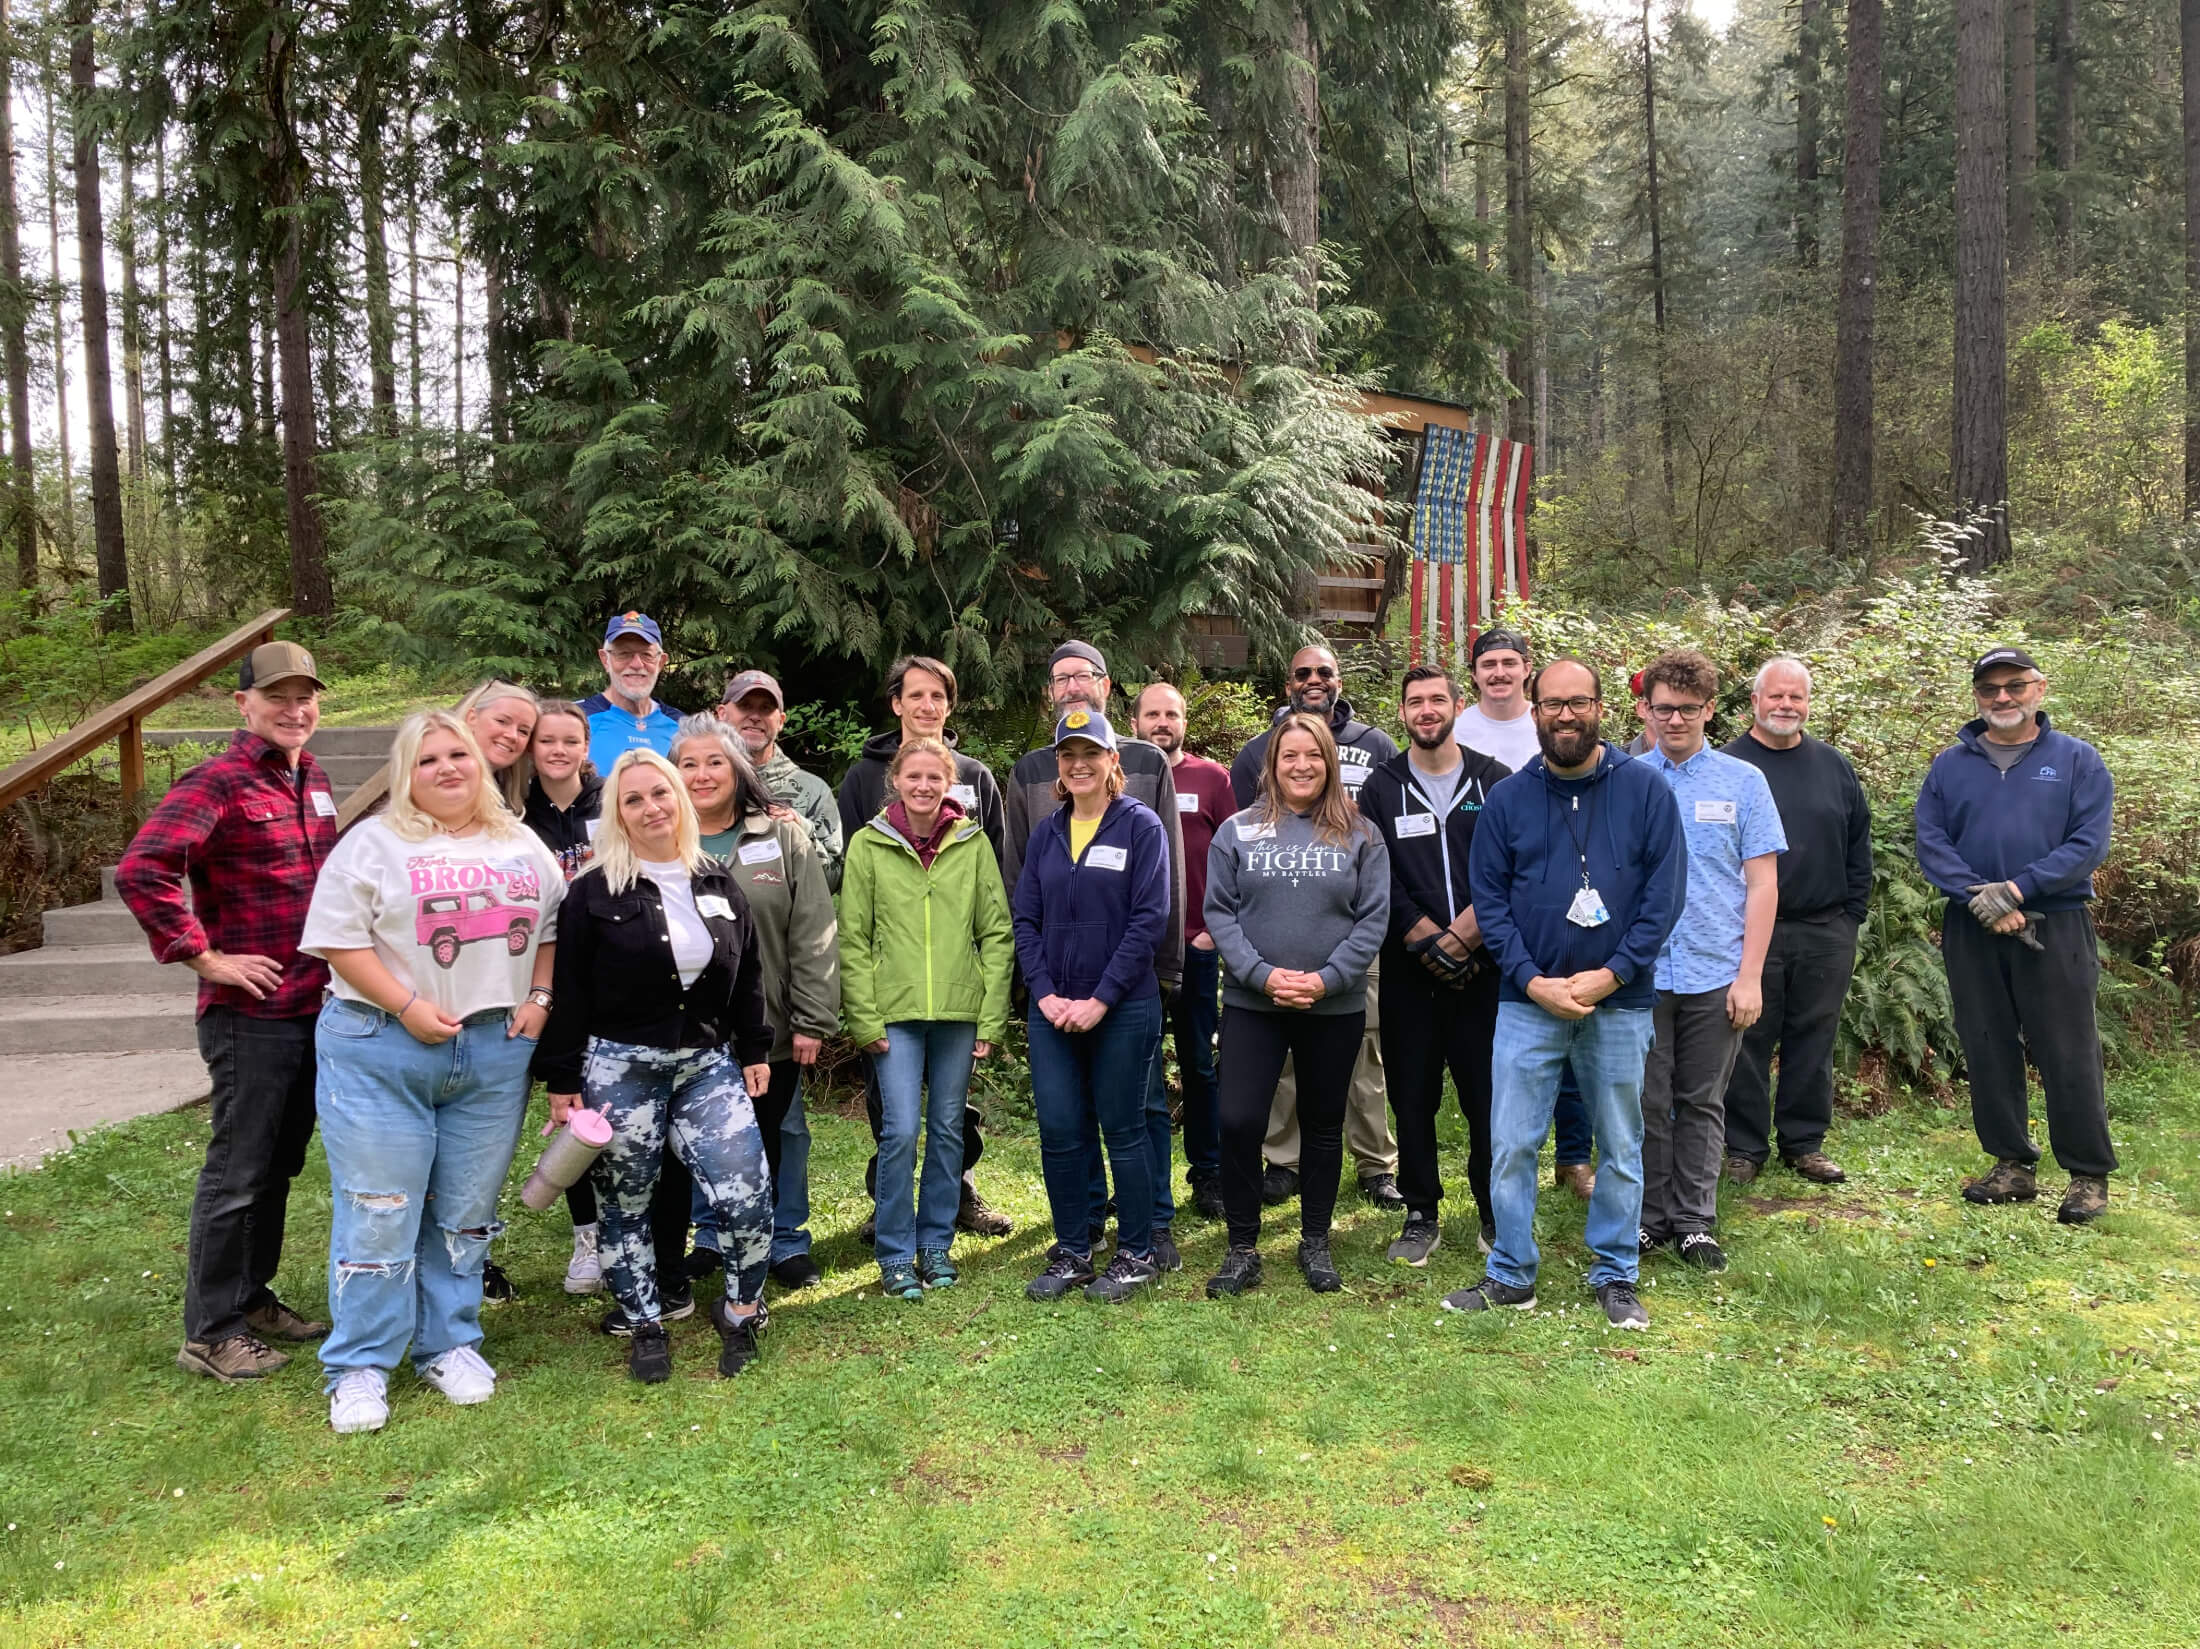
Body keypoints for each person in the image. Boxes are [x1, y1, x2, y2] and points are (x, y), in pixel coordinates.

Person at [300, 711, 562, 1433]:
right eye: (428, 759)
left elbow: (550, 927)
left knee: (465, 1211)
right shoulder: (374, 843)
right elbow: (338, 942)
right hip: (382, 1043)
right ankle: (360, 1364)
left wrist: (539, 997)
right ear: (406, 773)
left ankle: (449, 1342)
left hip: (491, 1050)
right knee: (381, 1206)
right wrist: (408, 1004)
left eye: (460, 755)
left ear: (481, 764)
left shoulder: (519, 841)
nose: (448, 768)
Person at [116, 640, 341, 1384]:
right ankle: (210, 1330)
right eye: (277, 696)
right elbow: (143, 866)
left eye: (305, 695)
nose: (294, 708)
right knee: (237, 1171)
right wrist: (203, 954)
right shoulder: (218, 780)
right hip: (251, 1015)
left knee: (278, 1163)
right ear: (243, 704)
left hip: (315, 1006)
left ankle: (251, 1296)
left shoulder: (312, 778)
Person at [1454, 658, 1684, 1330]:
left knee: (1620, 1141)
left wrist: (1610, 973)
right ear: (1534, 711)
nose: (1563, 714)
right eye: (1551, 703)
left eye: (1577, 701)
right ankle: (1511, 1273)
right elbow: (1490, 904)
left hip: (1619, 1000)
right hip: (1528, 1002)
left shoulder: (1645, 792)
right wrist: (1532, 980)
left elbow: (1662, 899)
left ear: (1601, 707)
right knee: (1513, 1142)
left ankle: (1615, 1273)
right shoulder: (1507, 799)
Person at [536, 750, 775, 1384]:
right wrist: (563, 1081)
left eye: (660, 794)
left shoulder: (717, 881)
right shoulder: (591, 891)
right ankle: (644, 1321)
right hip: (619, 1069)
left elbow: (747, 972)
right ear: (617, 811)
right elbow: (569, 991)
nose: (651, 808)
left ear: (679, 800)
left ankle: (744, 1308)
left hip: (705, 1065)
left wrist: (754, 1048)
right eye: (634, 798)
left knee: (745, 1192)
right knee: (626, 1205)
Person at [1915, 645, 2115, 1224]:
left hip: (2055, 924)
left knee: (2067, 1046)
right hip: (1972, 925)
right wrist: (1982, 898)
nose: (2002, 697)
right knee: (1986, 1042)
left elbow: (2087, 844)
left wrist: (2019, 890)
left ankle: (2087, 1174)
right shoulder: (1950, 766)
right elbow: (1931, 842)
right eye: (1989, 689)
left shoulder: (2078, 760)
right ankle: (2011, 1164)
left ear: (2039, 689)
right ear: (1977, 697)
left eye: (2015, 686)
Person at [1001, 641, 1186, 1259]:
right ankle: (1074, 1246)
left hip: (1122, 1006)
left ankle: (1137, 1250)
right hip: (1052, 1009)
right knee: (1059, 1130)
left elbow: (1148, 918)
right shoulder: (1049, 832)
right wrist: (1046, 993)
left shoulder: (1141, 826)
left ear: (1112, 760)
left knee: (1125, 1129)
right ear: (1058, 765)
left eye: (1090, 754)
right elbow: (1025, 917)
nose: (1078, 764)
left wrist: (1101, 999)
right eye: (1067, 754)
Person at [1203, 713, 1390, 1297]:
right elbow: (1220, 913)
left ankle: (1315, 1239)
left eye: (1313, 754)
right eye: (1290, 756)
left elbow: (1373, 917)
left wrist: (1328, 979)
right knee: (1238, 1121)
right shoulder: (1237, 830)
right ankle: (1242, 1247)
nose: (1302, 765)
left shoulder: (1361, 833)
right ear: (1273, 765)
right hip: (1252, 1004)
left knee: (1323, 1124)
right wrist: (1261, 976)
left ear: (1329, 762)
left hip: (1331, 1007)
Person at [836, 655, 1013, 1236]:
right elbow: (853, 881)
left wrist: (991, 979)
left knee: (951, 1110)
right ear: (897, 703)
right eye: (916, 695)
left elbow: (994, 878)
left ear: (949, 704)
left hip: (958, 980)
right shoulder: (863, 779)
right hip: (895, 980)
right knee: (894, 1111)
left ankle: (957, 1193)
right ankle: (886, 1205)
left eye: (937, 696)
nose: (927, 706)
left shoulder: (979, 777)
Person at [1228, 643, 1404, 1210]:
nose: (1313, 680)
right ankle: (1285, 1159)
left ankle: (1376, 1162)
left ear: (1339, 679)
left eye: (1323, 672)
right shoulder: (1257, 752)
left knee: (1365, 1050)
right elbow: (1241, 842)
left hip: (1350, 928)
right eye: (1302, 672)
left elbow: (1386, 832)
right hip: (1273, 933)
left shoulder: (1377, 747)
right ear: (1287, 683)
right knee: (1278, 1062)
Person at [673, 715, 840, 1292]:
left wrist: (813, 1017)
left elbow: (813, 928)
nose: (701, 775)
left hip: (772, 1023)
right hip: (689, 1030)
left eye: (715, 762)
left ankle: (785, 1240)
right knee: (697, 1135)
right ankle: (712, 1238)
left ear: (738, 769)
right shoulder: (663, 838)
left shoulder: (780, 834)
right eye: (689, 763)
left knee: (777, 1133)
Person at [1634, 650, 1784, 1274]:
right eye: (1663, 708)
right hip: (1638, 972)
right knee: (1644, 1099)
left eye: (1687, 710)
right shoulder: (1625, 778)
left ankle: (1695, 1220)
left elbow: (1763, 885)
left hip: (1714, 970)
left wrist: (1749, 976)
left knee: (1700, 1098)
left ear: (1710, 711)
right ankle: (1647, 1217)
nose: (1675, 720)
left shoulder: (1743, 782)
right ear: (1645, 710)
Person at [1357, 664, 1512, 1265]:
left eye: (1436, 700)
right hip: (1408, 974)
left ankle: (1494, 1210)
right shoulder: (1380, 786)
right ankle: (1421, 1212)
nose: (1426, 710)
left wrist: (1467, 936)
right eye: (1414, 701)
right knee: (1413, 1096)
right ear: (1403, 713)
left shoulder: (1493, 780)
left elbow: (1510, 868)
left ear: (1456, 705)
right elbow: (1375, 872)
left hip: (1484, 972)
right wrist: (1426, 940)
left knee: (1486, 1096)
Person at [1720, 656, 1872, 1186]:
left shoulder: (1834, 766)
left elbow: (1859, 844)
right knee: (1745, 1038)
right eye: (1775, 696)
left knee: (1814, 1037)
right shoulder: (1727, 767)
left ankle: (1804, 1142)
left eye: (1796, 697)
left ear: (1808, 703)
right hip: (1746, 930)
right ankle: (1742, 1147)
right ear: (1754, 702)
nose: (1786, 705)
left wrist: (1851, 916)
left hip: (1825, 928)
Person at [1455, 629, 1595, 1201]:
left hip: (1565, 894)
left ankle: (1573, 1155)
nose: (1498, 673)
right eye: (1488, 664)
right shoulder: (1459, 726)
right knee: (1517, 1040)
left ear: (1526, 672)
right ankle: (1513, 1158)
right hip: (1490, 907)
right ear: (1475, 674)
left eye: (1509, 663)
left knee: (1574, 1024)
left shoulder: (1553, 728)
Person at [1132, 681, 1237, 1221]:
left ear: (1184, 723)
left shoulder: (1212, 778)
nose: (1162, 722)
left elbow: (1234, 856)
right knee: (1141, 1070)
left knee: (1199, 1065)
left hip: (1196, 948)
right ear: (1134, 723)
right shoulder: (1120, 775)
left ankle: (1208, 1173)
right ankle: (1145, 1180)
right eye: (1152, 714)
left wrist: (1214, 929)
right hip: (1139, 956)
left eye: (1172, 714)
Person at [519, 699, 609, 1296]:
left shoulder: (611, 803)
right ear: (532, 749)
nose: (557, 750)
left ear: (585, 747)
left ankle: (634, 1229)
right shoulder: (511, 816)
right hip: (541, 973)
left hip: (611, 970)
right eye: (545, 740)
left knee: (618, 1109)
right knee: (571, 1107)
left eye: (568, 740)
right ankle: (588, 1236)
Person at [720, 668, 845, 889]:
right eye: (745, 706)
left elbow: (833, 880)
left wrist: (802, 830)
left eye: (766, 708)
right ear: (721, 714)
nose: (756, 716)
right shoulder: (699, 784)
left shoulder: (813, 792)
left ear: (781, 721)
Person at [580, 611, 685, 775]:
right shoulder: (578, 718)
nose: (637, 664)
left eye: (646, 655)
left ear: (661, 662)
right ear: (605, 659)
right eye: (623, 654)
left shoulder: (681, 726)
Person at [456, 680, 540, 813]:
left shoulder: (511, 798)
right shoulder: (439, 785)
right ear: (471, 718)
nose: (513, 736)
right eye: (502, 721)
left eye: (523, 731)